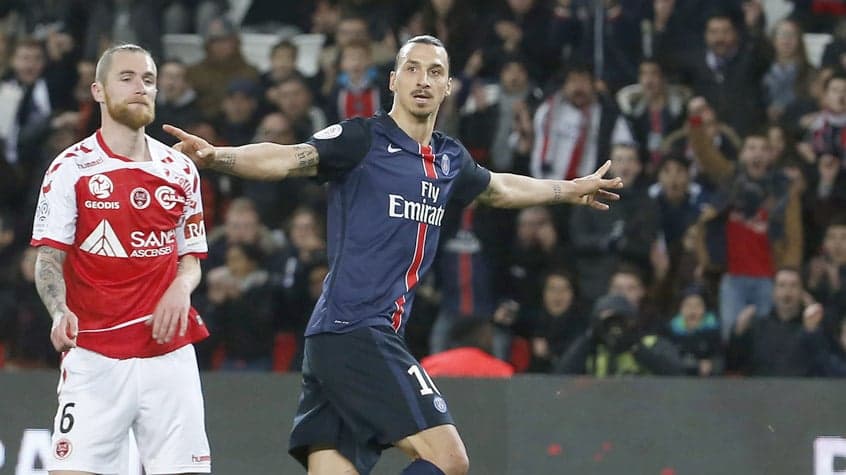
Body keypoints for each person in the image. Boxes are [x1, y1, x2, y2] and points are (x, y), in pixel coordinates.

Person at [164, 35, 622, 475]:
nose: (423, 79)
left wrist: (568, 189)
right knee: (449, 458)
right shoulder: (361, 140)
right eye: (412, 68)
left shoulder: (449, 160)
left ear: (447, 86)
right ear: (393, 81)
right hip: (356, 328)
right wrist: (217, 157)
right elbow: (287, 158)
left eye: (435, 72)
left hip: (337, 338)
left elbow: (500, 188)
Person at [30, 44, 211, 474]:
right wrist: (58, 311)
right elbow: (49, 259)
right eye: (126, 78)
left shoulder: (180, 169)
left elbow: (192, 258)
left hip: (169, 354)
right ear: (98, 90)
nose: (140, 87)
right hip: (94, 353)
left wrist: (180, 290)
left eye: (148, 80)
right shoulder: (71, 168)